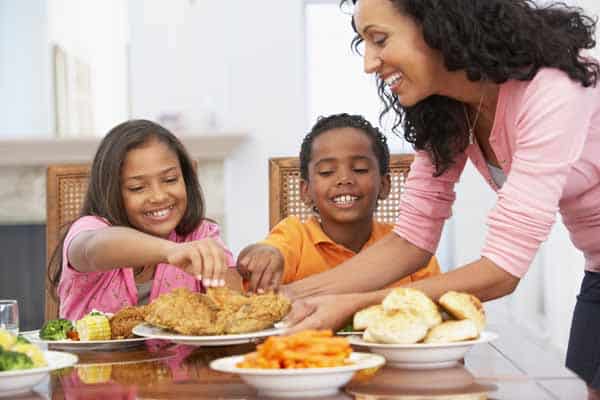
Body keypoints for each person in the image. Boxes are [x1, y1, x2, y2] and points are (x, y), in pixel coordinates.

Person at [282, 0, 600, 393]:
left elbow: (502, 269)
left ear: (439, 24)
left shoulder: (551, 89)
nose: (369, 63)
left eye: (379, 39)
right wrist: (288, 298)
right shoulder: (452, 108)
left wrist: (356, 303)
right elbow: (410, 240)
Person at [48, 119, 236, 320]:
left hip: (186, 353)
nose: (159, 196)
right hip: (91, 352)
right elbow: (93, 249)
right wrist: (170, 251)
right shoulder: (90, 230)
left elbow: (235, 310)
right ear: (111, 192)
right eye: (137, 188)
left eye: (170, 179)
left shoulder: (199, 234)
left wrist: (227, 271)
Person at [237, 113, 440, 293]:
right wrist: (262, 255)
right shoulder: (294, 236)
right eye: (326, 172)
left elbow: (435, 304)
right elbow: (265, 253)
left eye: (360, 169)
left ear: (385, 184)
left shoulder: (408, 246)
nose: (344, 179)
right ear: (305, 191)